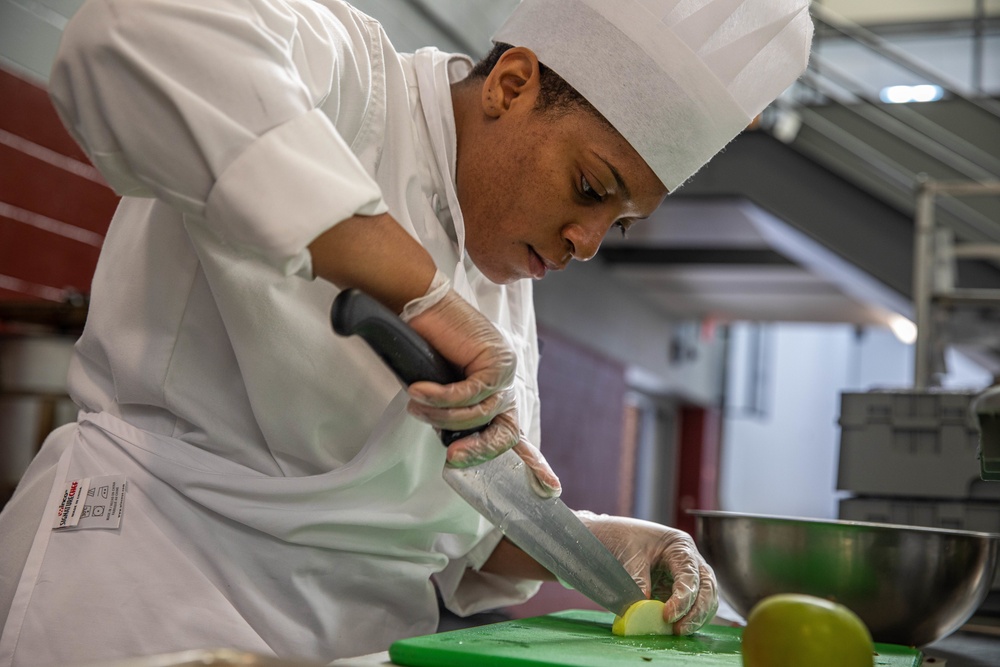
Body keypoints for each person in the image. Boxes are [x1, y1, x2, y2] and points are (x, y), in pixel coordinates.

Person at [0, 0, 812, 664]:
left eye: (619, 222)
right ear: (513, 84)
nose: (587, 241)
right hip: (147, 601)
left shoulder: (504, 275)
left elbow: (452, 533)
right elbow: (130, 32)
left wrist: (599, 543)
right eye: (591, 186)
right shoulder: (352, 78)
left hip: (362, 645)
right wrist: (418, 290)